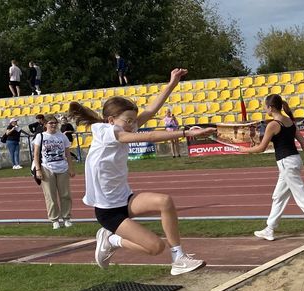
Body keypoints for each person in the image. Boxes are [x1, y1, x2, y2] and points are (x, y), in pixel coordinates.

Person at [69, 68, 216, 275]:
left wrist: (172, 83)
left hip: (125, 198)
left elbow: (152, 111)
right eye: (127, 121)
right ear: (111, 120)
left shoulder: (123, 127)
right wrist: (185, 132)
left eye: (133, 121)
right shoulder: (107, 133)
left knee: (165, 201)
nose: (132, 125)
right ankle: (111, 240)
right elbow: (148, 137)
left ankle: (179, 258)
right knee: (156, 247)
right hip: (108, 212)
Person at [236, 94, 304, 243]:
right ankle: (270, 228)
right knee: (278, 196)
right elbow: (303, 143)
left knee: (301, 197)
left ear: (271, 107)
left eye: (265, 106)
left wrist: (243, 150)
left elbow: (261, 148)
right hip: (293, 161)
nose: (264, 108)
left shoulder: (273, 125)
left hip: (287, 163)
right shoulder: (289, 121)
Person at [33, 115, 75, 229]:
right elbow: (36, 154)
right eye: (51, 123)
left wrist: (71, 168)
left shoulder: (62, 137)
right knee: (50, 196)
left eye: (55, 123)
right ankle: (54, 219)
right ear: (45, 124)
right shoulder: (40, 136)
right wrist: (38, 169)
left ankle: (66, 218)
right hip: (46, 168)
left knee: (65, 195)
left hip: (62, 168)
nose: (53, 125)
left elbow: (68, 154)